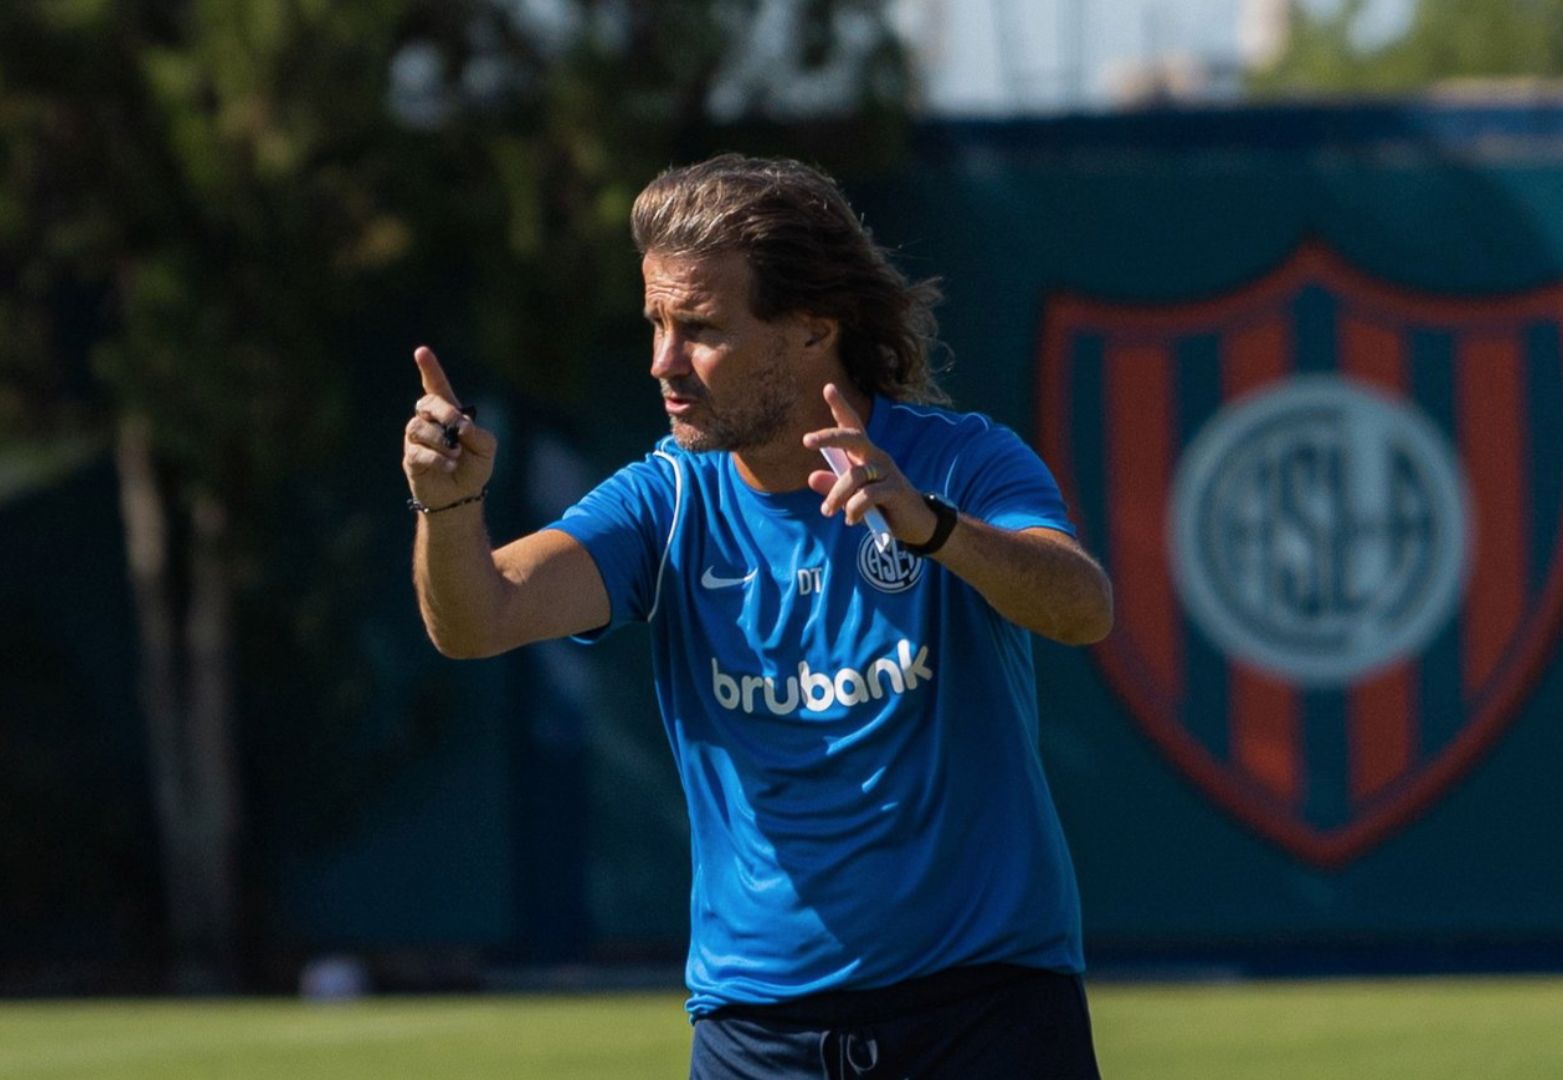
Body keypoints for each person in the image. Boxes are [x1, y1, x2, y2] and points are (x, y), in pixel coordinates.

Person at [402, 154, 1114, 1079]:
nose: (663, 361)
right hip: (759, 1033)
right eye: (656, 322)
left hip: (986, 1013)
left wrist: (935, 529)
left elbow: (1081, 607)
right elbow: (479, 618)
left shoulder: (962, 463)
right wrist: (447, 508)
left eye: (699, 328)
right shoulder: (664, 501)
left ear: (814, 327)